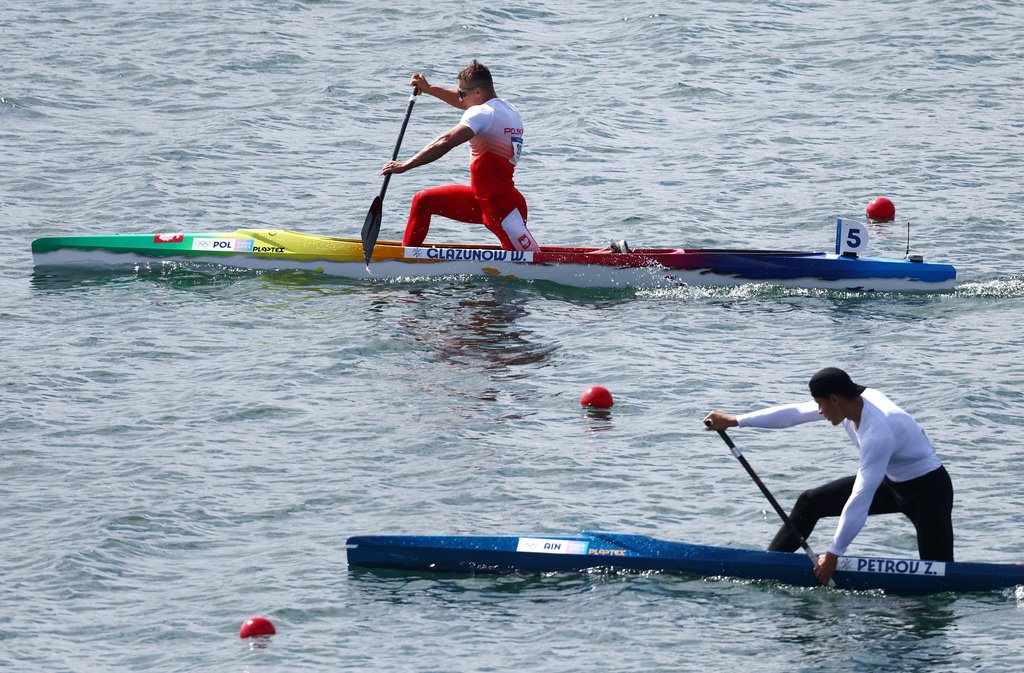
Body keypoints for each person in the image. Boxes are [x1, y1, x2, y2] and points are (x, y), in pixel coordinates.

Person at [702, 367, 954, 585]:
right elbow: (794, 414)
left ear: (834, 399)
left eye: (820, 404)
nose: (819, 411)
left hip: (928, 492)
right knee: (810, 501)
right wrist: (734, 421)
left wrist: (834, 554)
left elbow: (861, 497)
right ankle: (769, 566)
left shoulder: (877, 430)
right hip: (891, 483)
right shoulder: (848, 402)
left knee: (940, 575)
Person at [381, 60, 539, 252]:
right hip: (483, 200)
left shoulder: (482, 113)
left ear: (478, 92)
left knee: (531, 262)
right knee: (424, 201)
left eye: (463, 93)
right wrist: (428, 88)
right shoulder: (507, 109)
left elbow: (446, 141)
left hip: (501, 209)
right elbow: (462, 102)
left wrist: (406, 165)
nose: (460, 99)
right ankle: (407, 256)